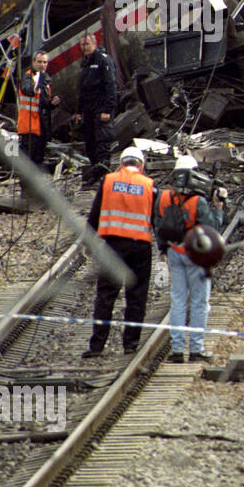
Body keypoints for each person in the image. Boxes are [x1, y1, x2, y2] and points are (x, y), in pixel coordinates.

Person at [83, 146, 154, 358]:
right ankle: (130, 344)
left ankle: (97, 346)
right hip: (140, 247)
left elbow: (95, 214)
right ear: (141, 165)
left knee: (106, 295)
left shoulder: (108, 181)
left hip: (113, 246)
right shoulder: (149, 185)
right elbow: (155, 219)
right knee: (136, 296)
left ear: (121, 163)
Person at [155, 155, 226, 363]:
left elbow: (158, 225)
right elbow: (212, 229)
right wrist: (218, 207)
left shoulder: (164, 197)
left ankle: (177, 350)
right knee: (199, 302)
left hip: (174, 252)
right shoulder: (199, 201)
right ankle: (196, 348)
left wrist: (163, 250)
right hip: (196, 256)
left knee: (177, 300)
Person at [69, 32, 116, 188]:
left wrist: (107, 110)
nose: (85, 47)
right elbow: (82, 90)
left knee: (102, 145)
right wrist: (79, 111)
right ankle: (96, 175)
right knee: (90, 145)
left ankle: (105, 178)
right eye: (82, 45)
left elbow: (111, 87)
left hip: (100, 109)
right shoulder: (85, 63)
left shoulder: (103, 60)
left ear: (94, 43)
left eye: (87, 44)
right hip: (88, 111)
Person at [16, 50, 59, 180]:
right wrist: (35, 89)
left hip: (40, 128)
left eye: (45, 62)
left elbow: (42, 103)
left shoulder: (44, 80)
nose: (42, 65)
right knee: (28, 163)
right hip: (29, 127)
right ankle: (27, 193)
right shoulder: (29, 77)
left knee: (37, 162)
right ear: (33, 62)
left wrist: (52, 104)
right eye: (39, 62)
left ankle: (34, 191)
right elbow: (27, 88)